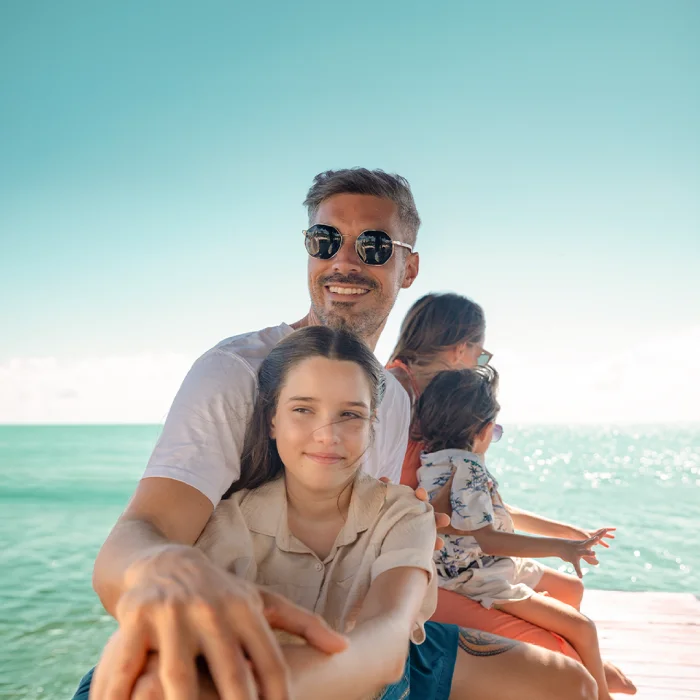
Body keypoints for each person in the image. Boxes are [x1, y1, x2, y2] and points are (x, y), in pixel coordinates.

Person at [74, 169, 598, 699]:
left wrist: (424, 529)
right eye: (325, 241)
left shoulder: (392, 401)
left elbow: (376, 529)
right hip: (238, 647)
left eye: (373, 246)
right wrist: (160, 567)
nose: (344, 260)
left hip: (358, 634)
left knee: (568, 683)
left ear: (408, 266)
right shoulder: (235, 373)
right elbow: (146, 527)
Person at [387, 293, 637, 695]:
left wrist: (565, 532)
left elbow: (472, 507)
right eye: (480, 356)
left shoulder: (437, 421)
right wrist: (559, 545)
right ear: (458, 351)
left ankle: (584, 660)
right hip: (432, 572)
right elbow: (451, 516)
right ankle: (582, 665)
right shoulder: (398, 400)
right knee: (562, 651)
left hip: (459, 559)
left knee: (571, 594)